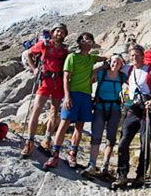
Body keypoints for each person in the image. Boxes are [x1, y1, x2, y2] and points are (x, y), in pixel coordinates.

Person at [43, 32, 107, 169]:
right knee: (64, 123)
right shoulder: (72, 57)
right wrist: (67, 96)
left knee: (79, 125)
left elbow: (105, 58)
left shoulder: (91, 58)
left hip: (86, 95)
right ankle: (55, 154)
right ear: (79, 42)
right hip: (73, 94)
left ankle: (73, 153)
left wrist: (99, 69)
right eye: (85, 40)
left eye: (90, 41)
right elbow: (66, 77)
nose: (87, 43)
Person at [112, 44, 151, 188]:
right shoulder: (129, 69)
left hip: (146, 109)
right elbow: (114, 64)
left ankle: (141, 175)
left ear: (142, 56)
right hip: (132, 110)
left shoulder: (150, 71)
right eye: (132, 55)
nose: (134, 58)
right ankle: (122, 174)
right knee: (123, 141)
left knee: (145, 142)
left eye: (137, 55)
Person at [20, 23, 68, 159]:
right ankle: (29, 141)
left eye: (62, 32)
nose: (60, 34)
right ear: (53, 32)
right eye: (58, 31)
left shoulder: (65, 50)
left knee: (54, 112)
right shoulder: (44, 44)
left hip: (58, 82)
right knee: (36, 109)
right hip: (45, 81)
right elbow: (29, 54)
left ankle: (46, 140)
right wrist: (34, 69)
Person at [85, 54, 127, 176]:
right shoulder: (102, 74)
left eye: (118, 63)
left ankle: (105, 165)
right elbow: (90, 75)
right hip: (99, 107)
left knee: (111, 138)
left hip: (115, 108)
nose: (115, 64)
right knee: (96, 136)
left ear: (121, 65)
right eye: (113, 62)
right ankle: (92, 164)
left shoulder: (122, 76)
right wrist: (103, 67)